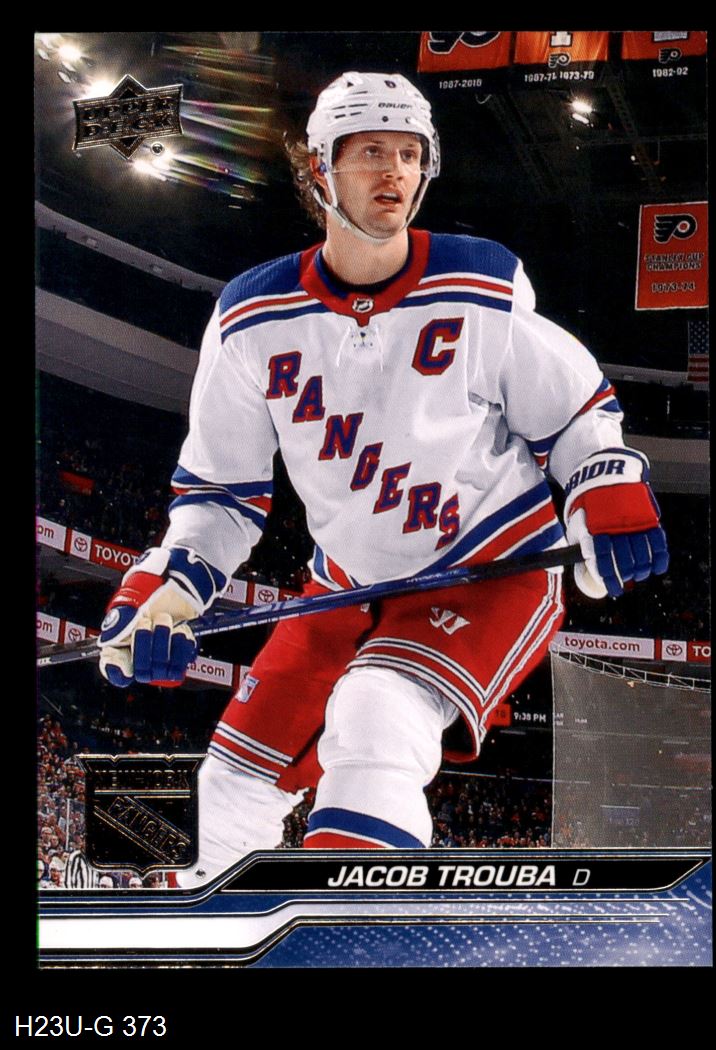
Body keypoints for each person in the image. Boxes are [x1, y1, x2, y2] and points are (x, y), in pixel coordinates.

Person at [97, 71, 668, 884]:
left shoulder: (479, 281)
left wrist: (602, 483)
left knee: (376, 714)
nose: (393, 170)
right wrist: (166, 589)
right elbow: (221, 491)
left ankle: (353, 926)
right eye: (370, 152)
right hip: (343, 586)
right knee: (226, 786)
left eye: (408, 153)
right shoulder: (249, 315)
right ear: (319, 170)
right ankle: (195, 928)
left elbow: (573, 411)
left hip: (487, 571)